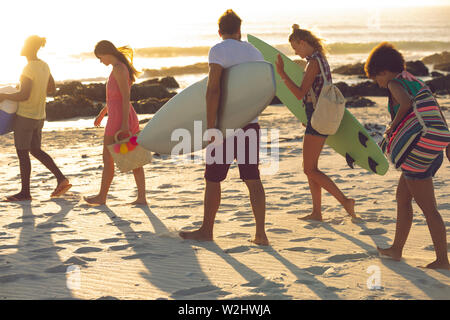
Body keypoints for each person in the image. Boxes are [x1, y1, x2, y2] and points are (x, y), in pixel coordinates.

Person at [179, 9, 268, 245]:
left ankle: (207, 230)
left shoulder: (218, 50)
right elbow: (262, 90)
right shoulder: (255, 52)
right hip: (250, 125)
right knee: (252, 178)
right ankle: (261, 234)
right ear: (240, 30)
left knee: (213, 179)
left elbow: (213, 89)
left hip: (224, 127)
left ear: (220, 32)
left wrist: (211, 126)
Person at [364, 42, 449, 270]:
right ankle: (396, 249)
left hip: (417, 151)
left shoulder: (394, 83)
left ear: (382, 71)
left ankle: (442, 260)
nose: (378, 83)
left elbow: (406, 103)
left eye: (376, 78)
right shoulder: (415, 80)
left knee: (429, 209)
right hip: (432, 148)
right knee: (402, 198)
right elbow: (435, 109)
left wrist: (392, 127)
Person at [275, 24, 357, 222]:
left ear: (303, 43)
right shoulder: (321, 59)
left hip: (319, 117)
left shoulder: (313, 63)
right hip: (319, 115)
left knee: (309, 169)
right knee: (311, 167)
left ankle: (345, 201)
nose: (295, 52)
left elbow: (300, 93)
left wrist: (282, 73)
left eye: (296, 48)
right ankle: (317, 212)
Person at [0, 35, 71, 202]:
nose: (21, 47)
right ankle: (61, 179)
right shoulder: (44, 66)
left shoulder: (28, 68)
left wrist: (3, 95)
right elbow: (52, 88)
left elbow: (23, 95)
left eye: (24, 44)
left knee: (23, 153)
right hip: (39, 116)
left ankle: (25, 193)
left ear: (29, 47)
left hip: (25, 116)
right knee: (36, 150)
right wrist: (36, 91)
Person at [83, 40, 147, 206]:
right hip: (118, 116)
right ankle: (139, 198)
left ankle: (103, 197)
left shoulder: (119, 69)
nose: (100, 61)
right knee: (130, 158)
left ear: (106, 53)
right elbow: (114, 98)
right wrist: (102, 113)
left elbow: (126, 97)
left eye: (100, 57)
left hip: (120, 118)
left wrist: (124, 124)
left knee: (121, 158)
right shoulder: (118, 67)